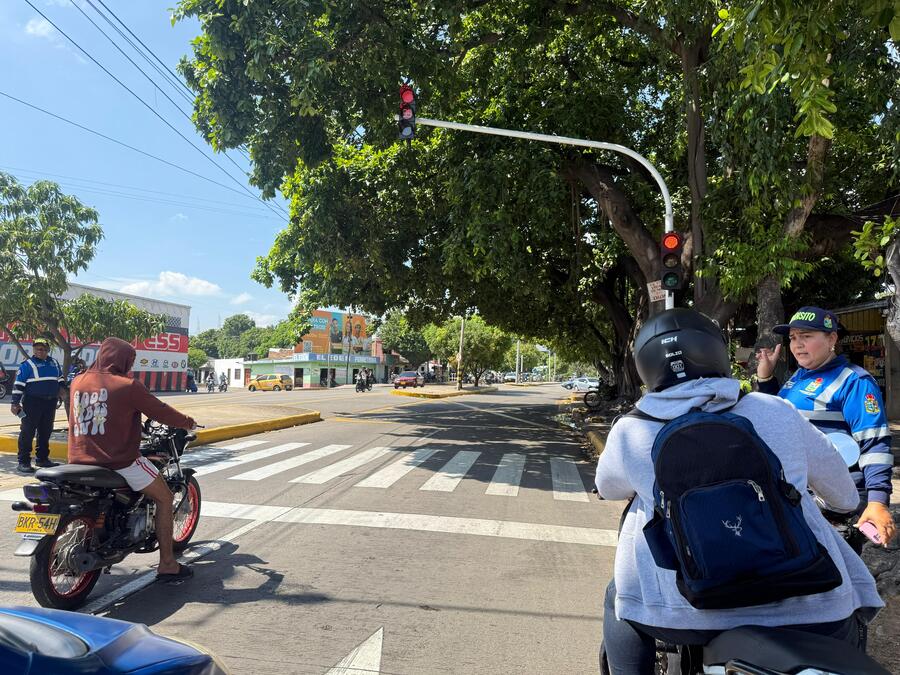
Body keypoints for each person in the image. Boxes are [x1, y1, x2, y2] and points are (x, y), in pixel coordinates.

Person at [596, 309, 884, 675]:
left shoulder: (631, 430)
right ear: (716, 352)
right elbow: (844, 497)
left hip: (682, 615)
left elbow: (607, 487)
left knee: (619, 596)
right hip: (814, 609)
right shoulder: (777, 409)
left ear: (645, 366)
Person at [756, 306, 896, 550]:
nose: (797, 344)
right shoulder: (798, 377)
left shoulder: (854, 381)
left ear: (832, 339)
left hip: (836, 500)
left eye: (806, 336)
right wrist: (766, 380)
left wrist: (878, 501)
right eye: (793, 337)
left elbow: (875, 443)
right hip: (801, 494)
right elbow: (780, 418)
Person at [68, 337, 196, 581]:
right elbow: (161, 411)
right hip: (119, 461)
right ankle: (168, 563)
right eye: (131, 361)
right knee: (165, 498)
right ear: (123, 360)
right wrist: (187, 421)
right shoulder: (127, 386)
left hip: (78, 460)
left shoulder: (78, 381)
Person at [10, 338, 67, 474]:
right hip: (32, 403)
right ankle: (23, 462)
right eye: (37, 349)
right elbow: (18, 385)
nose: (40, 351)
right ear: (34, 350)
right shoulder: (27, 365)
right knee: (27, 432)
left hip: (50, 402)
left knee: (45, 431)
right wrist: (15, 403)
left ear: (47, 350)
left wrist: (62, 388)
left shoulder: (54, 362)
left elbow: (60, 378)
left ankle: (42, 459)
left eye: (43, 349)